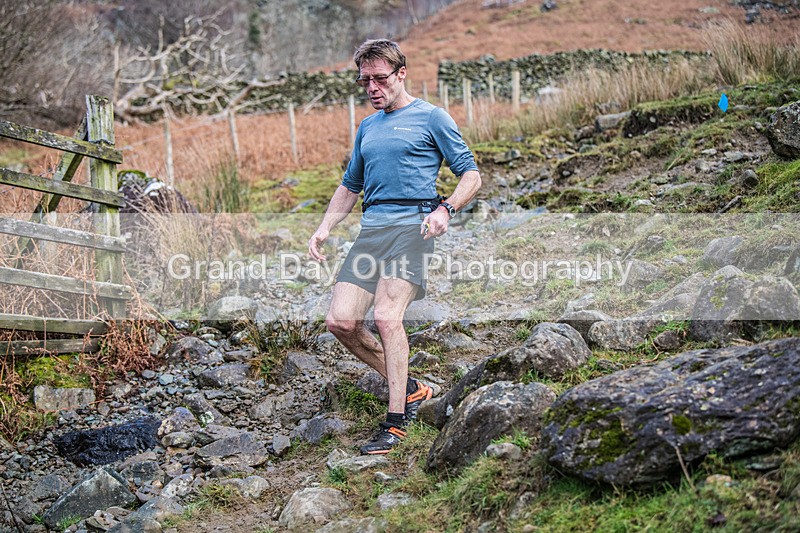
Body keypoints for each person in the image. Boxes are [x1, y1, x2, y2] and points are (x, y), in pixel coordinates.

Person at [308, 38, 481, 455]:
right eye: (364, 80)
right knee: (341, 322)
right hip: (373, 230)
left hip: (413, 227)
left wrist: (446, 210)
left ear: (401, 74)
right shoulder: (367, 127)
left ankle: (396, 422)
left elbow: (471, 176)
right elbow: (351, 185)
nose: (371, 87)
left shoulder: (432, 117)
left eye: (379, 79)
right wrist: (324, 228)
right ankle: (414, 388)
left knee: (387, 316)